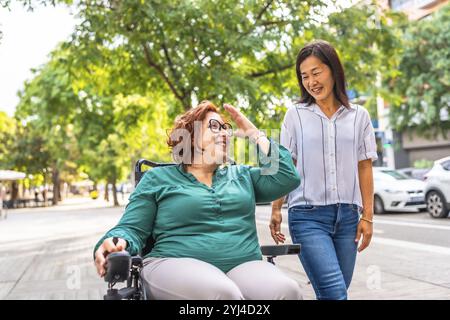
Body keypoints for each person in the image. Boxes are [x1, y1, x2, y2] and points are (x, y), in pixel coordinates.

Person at [94, 101, 302, 300]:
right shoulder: (158, 179)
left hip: (243, 265)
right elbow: (131, 228)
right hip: (173, 263)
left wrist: (254, 134)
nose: (223, 133)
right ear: (191, 137)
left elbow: (287, 177)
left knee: (287, 291)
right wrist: (116, 242)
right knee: (222, 294)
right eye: (214, 126)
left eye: (225, 128)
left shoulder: (241, 175)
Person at [271, 40, 377, 300]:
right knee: (335, 294)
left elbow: (364, 166)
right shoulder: (294, 115)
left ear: (333, 70)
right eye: (304, 76)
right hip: (307, 217)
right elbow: (286, 164)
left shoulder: (359, 116)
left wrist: (368, 216)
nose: (311, 81)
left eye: (316, 73)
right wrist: (275, 208)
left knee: (334, 292)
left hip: (349, 219)